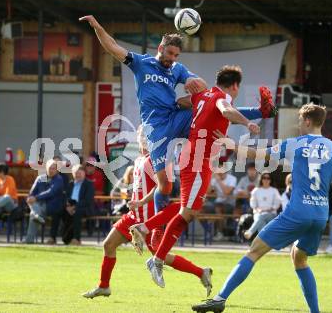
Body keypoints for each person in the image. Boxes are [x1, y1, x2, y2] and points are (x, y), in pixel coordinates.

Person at [80, 15, 276, 217]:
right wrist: (97, 26)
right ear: (160, 49)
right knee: (165, 186)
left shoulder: (176, 68)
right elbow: (112, 46)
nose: (172, 59)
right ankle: (155, 222)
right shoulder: (140, 62)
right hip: (155, 128)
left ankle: (261, 111)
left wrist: (194, 80)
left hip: (175, 116)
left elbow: (201, 85)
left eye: (176, 55)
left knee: (210, 107)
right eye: (170, 53)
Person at [192, 103, 332, 313]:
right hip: (320, 215)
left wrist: (232, 145)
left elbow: (259, 155)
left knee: (254, 251)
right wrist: (330, 176)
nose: (299, 124)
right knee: (299, 258)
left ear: (307, 121)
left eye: (300, 120)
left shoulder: (296, 144)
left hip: (298, 212)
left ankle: (220, 299)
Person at [130, 65, 263, 288]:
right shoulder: (222, 97)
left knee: (186, 210)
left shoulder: (202, 95)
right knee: (187, 213)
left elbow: (184, 102)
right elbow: (227, 110)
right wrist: (247, 122)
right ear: (235, 86)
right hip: (198, 160)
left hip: (195, 156)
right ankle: (157, 257)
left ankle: (146, 231)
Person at [82, 127, 212, 299]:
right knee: (108, 245)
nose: (143, 138)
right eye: (141, 134)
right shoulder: (139, 159)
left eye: (147, 135)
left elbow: (163, 187)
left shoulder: (153, 160)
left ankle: (201, 272)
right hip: (133, 216)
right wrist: (133, 198)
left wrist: (141, 201)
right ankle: (104, 286)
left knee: (160, 257)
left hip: (147, 218)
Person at [25, 159, 65, 244]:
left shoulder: (59, 179)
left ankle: (29, 240)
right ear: (46, 168)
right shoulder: (40, 178)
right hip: (38, 204)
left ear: (57, 170)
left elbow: (51, 192)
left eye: (53, 168)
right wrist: (30, 198)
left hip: (51, 206)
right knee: (34, 209)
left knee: (34, 211)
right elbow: (32, 192)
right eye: (50, 168)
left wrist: (35, 198)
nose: (51, 170)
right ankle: (36, 216)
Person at [243, 172, 282, 240]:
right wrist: (258, 210)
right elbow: (253, 204)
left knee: (261, 217)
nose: (266, 180)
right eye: (264, 178)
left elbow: (277, 203)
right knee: (261, 221)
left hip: (271, 214)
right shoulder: (256, 190)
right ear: (261, 179)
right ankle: (266, 241)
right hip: (258, 213)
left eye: (268, 178)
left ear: (270, 180)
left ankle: (250, 232)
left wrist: (267, 210)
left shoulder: (274, 190)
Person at [66, 164, 95, 245]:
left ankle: (76, 239)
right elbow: (66, 196)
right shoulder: (70, 184)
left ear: (84, 173)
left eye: (80, 173)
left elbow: (87, 200)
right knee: (58, 211)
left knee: (77, 212)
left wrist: (74, 207)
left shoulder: (89, 184)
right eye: (76, 173)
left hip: (85, 208)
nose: (78, 175)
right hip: (70, 206)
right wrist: (68, 206)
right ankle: (55, 237)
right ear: (73, 174)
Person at [208, 171, 238, 241]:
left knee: (218, 209)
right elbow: (208, 192)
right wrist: (209, 179)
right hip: (217, 203)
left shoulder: (232, 179)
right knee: (201, 210)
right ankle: (209, 233)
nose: (220, 172)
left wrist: (218, 181)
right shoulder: (214, 179)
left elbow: (227, 192)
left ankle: (220, 233)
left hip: (230, 204)